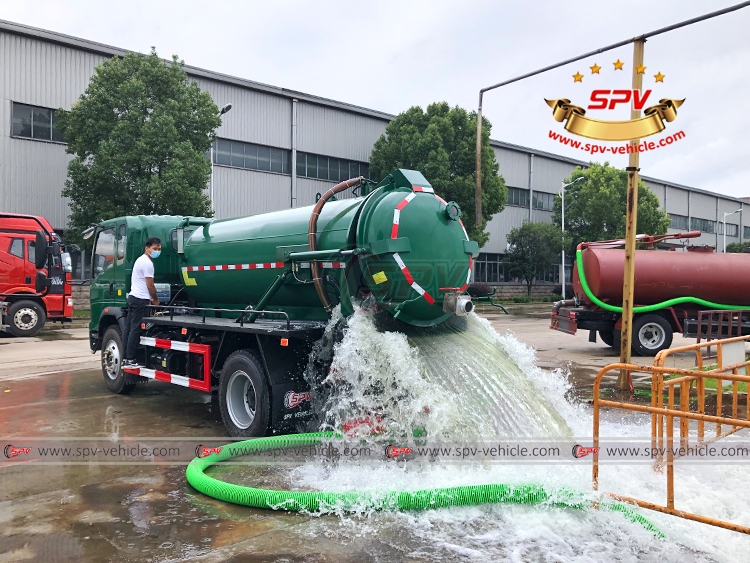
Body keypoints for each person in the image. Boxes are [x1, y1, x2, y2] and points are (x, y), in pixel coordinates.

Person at [121, 237, 161, 368]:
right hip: (139, 300)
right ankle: (131, 359)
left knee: (127, 330)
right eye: (155, 249)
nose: (157, 251)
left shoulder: (140, 260)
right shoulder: (147, 263)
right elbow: (150, 285)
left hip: (133, 297)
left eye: (159, 249)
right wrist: (155, 299)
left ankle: (125, 358)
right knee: (135, 330)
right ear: (147, 248)